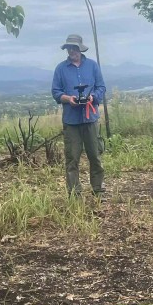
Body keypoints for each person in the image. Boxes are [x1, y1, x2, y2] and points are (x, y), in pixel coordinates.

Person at [51, 33, 106, 197]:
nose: (71, 51)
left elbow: (101, 88)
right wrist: (69, 99)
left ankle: (98, 190)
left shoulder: (93, 66)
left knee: (95, 156)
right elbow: (56, 92)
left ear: (80, 49)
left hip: (90, 119)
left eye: (74, 48)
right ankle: (74, 194)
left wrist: (92, 97)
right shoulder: (60, 69)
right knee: (72, 159)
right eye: (69, 48)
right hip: (71, 121)